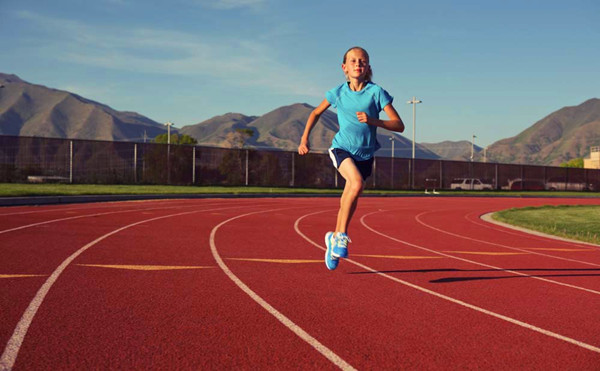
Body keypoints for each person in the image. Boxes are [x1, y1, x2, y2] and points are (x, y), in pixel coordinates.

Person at [298, 46, 405, 270]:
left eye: (362, 61)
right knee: (355, 183)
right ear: (344, 67)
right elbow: (316, 112)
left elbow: (399, 125)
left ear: (368, 68)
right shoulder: (337, 92)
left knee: (352, 195)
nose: (358, 64)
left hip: (365, 154)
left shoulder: (376, 93)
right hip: (342, 148)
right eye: (353, 61)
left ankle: (333, 237)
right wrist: (304, 139)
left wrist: (373, 121)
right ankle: (341, 235)